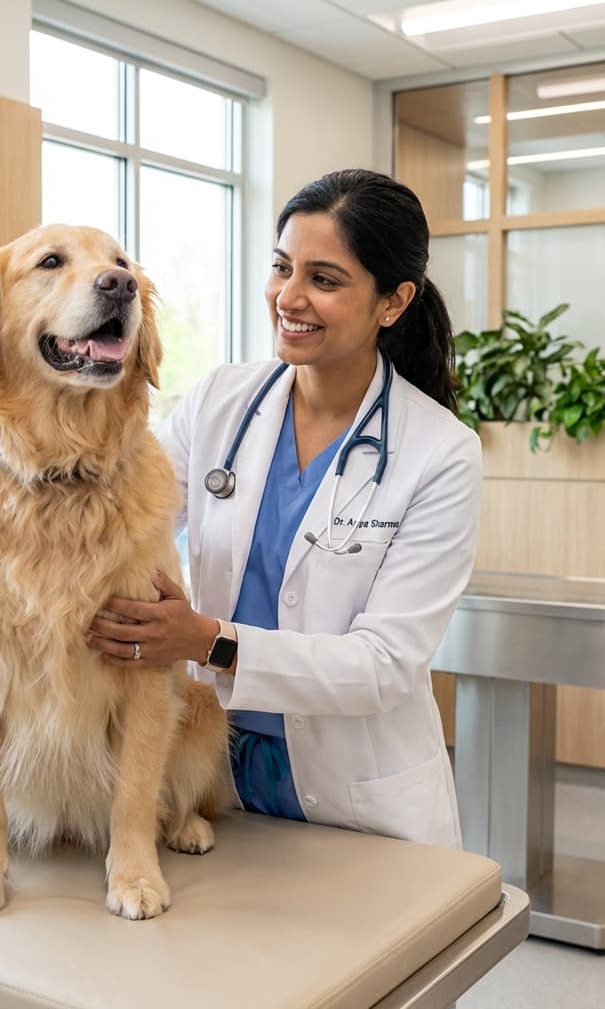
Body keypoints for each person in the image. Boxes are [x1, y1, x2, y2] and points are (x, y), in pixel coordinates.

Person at [86, 168, 482, 849]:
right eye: (281, 267)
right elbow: (122, 517)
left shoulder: (440, 452)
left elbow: (384, 663)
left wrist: (205, 640)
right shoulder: (219, 403)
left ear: (393, 302)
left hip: (359, 797)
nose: (289, 297)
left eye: (324, 280)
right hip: (207, 778)